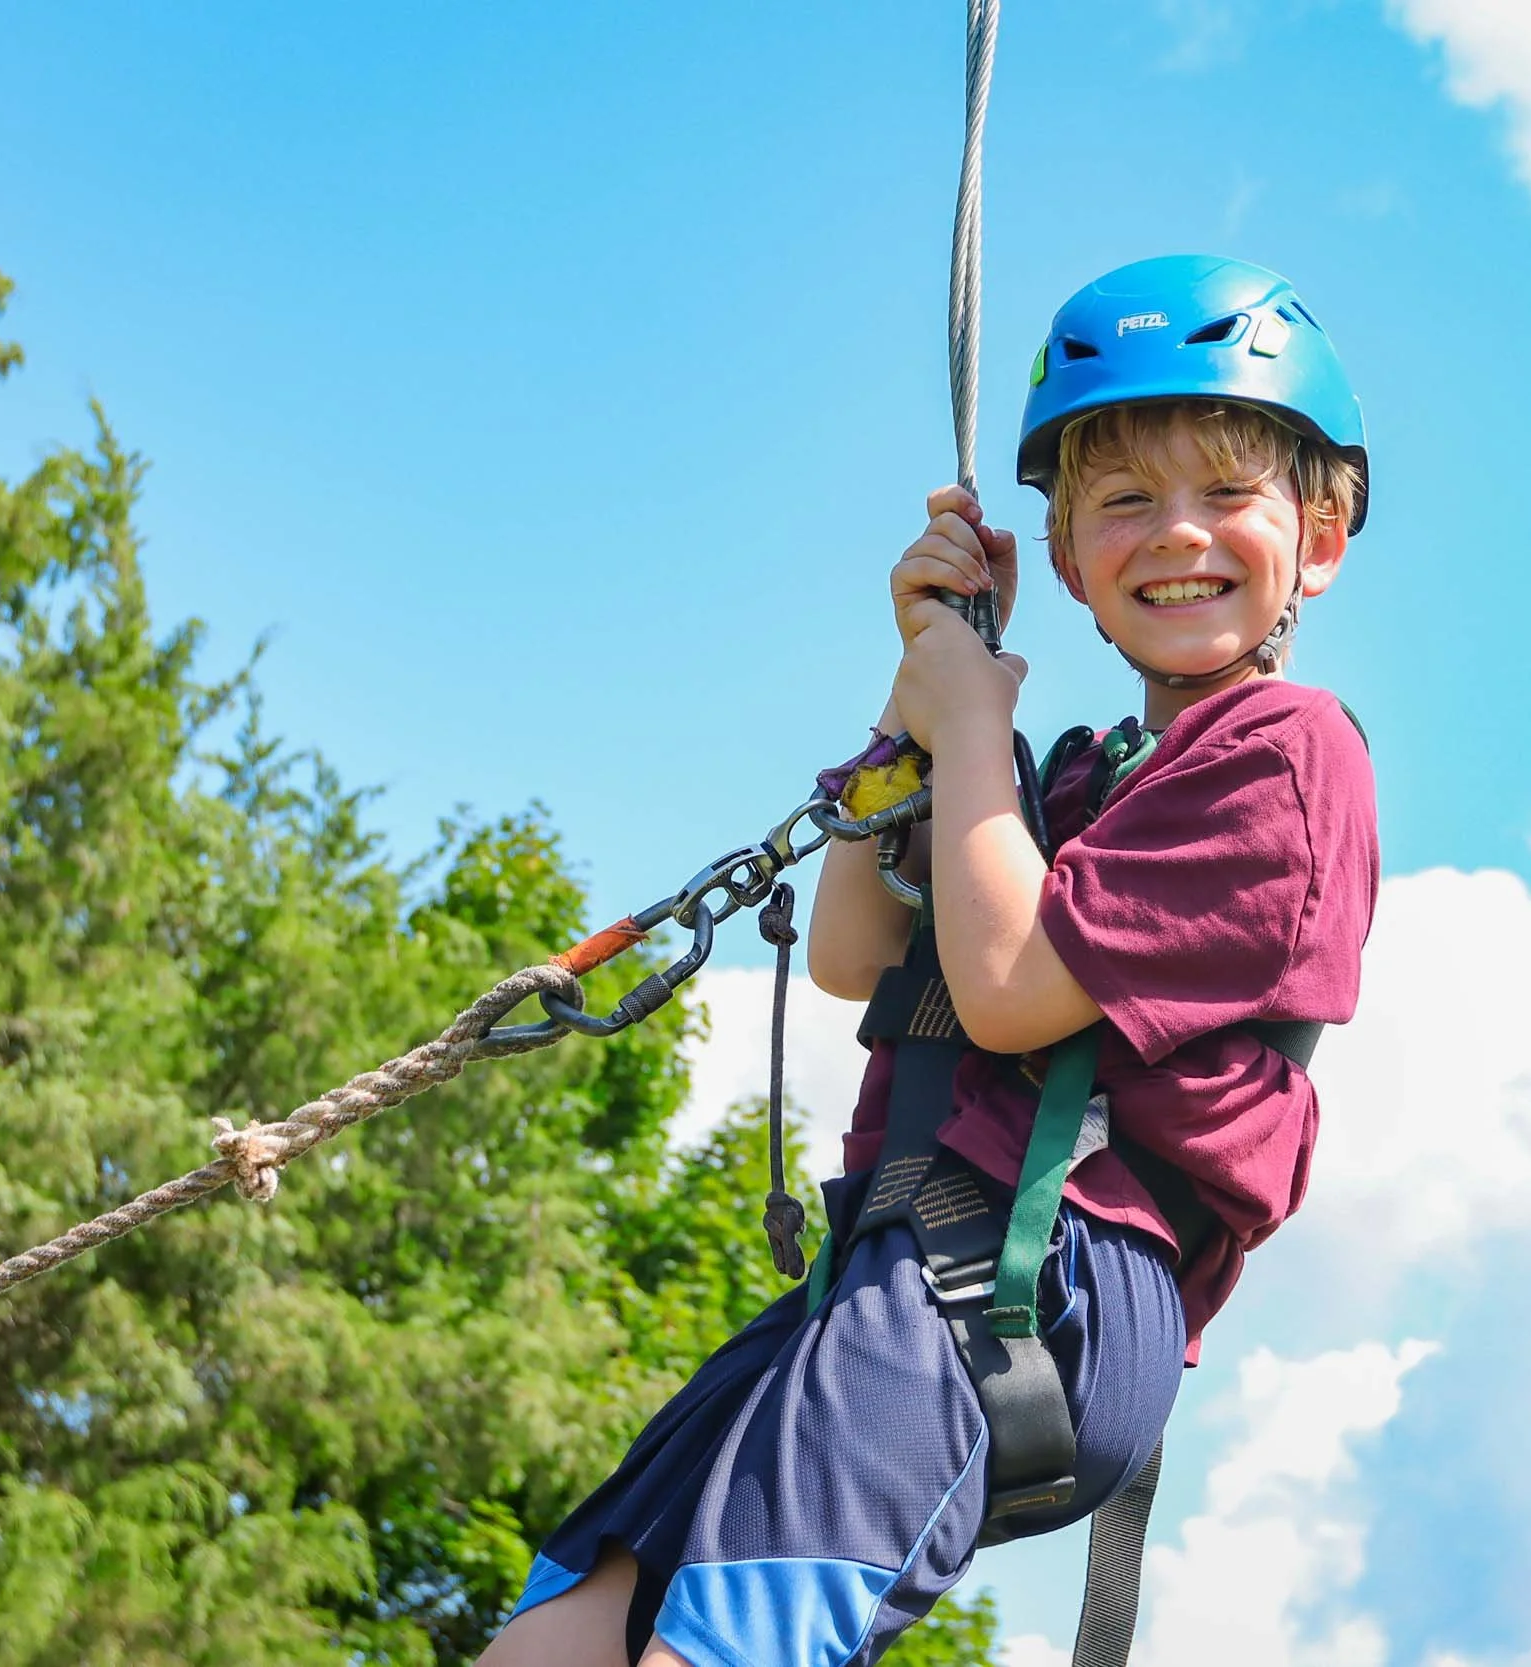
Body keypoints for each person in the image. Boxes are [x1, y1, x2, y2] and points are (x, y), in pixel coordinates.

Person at [479, 255, 1380, 1667]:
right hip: (901, 1257)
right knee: (582, 1609)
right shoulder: (1071, 783)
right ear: (1071, 554)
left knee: (719, 1645)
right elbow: (854, 952)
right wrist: (928, 690)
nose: (1176, 534)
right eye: (1125, 501)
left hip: (1046, 1273)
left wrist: (968, 727)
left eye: (1226, 493)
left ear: (1319, 538)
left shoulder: (1288, 751)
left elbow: (1018, 988)